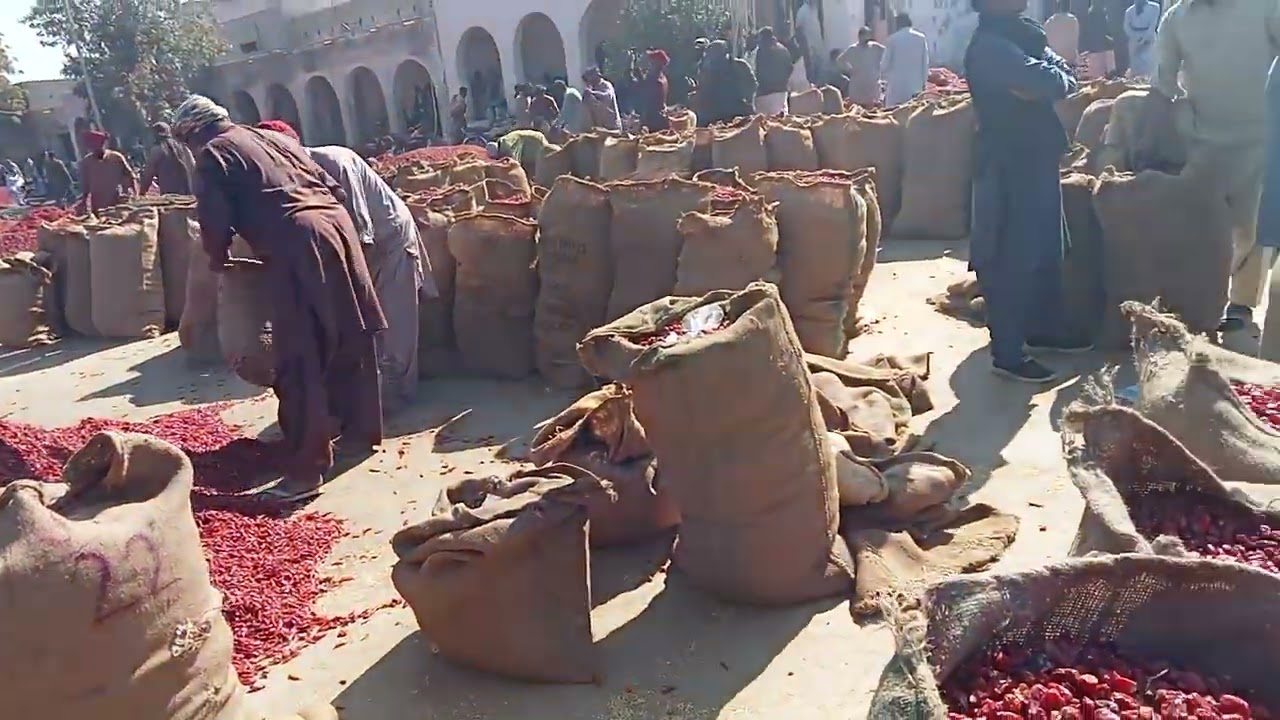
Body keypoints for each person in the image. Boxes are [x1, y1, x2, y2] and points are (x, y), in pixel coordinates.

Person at [173, 95, 387, 501]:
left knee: (297, 355)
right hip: (338, 229)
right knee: (350, 334)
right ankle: (360, 435)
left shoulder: (213, 154)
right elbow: (334, 187)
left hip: (298, 241)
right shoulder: (274, 140)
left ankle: (305, 472)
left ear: (192, 134)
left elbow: (213, 221)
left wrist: (219, 260)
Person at [257, 119, 436, 416]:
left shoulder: (336, 161)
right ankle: (365, 394)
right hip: (352, 247)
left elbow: (360, 231)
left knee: (393, 324)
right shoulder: (288, 178)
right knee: (360, 327)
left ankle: (396, 396)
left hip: (388, 241)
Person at [965, 0, 1084, 382]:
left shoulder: (1025, 35)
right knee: (1009, 254)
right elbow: (1045, 81)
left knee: (1046, 249)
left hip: (1035, 156)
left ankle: (1043, 330)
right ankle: (1008, 353)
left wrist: (1049, 77)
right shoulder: (990, 47)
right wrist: (1048, 78)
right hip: (1007, 165)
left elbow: (1064, 75)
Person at [1155, 0, 1280, 334]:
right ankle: (1201, 299)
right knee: (1203, 224)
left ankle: (1240, 303)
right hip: (1200, 138)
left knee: (1249, 226)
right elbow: (1163, 76)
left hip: (1259, 136)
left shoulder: (1266, 8)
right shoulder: (1177, 17)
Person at [696, 39, 757, 126]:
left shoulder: (740, 66)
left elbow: (752, 84)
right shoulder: (707, 68)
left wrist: (747, 99)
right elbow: (703, 88)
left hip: (738, 110)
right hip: (713, 113)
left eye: (717, 53)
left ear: (725, 52)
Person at [77, 130, 137, 214]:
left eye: (98, 144)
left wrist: (135, 194)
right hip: (98, 206)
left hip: (117, 203)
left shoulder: (116, 157)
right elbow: (85, 186)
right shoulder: (86, 163)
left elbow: (130, 176)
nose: (96, 148)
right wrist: (84, 202)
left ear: (103, 143)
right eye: (92, 146)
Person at [882, 14, 931, 107]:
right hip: (915, 88)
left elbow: (884, 65)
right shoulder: (921, 38)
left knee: (894, 116)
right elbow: (925, 63)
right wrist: (924, 84)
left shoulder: (892, 39)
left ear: (897, 24)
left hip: (896, 89)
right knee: (914, 116)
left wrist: (884, 79)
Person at [139, 122, 195, 196]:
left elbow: (148, 174)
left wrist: (142, 193)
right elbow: (194, 168)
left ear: (155, 135)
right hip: (190, 194)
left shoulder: (158, 150)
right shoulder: (184, 148)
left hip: (171, 196)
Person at [838, 27, 886, 107]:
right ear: (860, 36)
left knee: (874, 110)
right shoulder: (852, 49)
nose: (867, 38)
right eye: (865, 35)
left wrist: (881, 67)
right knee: (857, 109)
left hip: (872, 85)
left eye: (868, 35)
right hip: (858, 85)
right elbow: (840, 61)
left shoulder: (875, 47)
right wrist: (849, 70)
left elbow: (887, 52)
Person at [755, 27, 795, 115]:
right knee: (782, 122)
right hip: (782, 91)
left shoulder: (762, 50)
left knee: (766, 124)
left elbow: (758, 72)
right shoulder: (783, 49)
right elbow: (790, 68)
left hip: (765, 92)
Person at [634, 49, 671, 132]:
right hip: (661, 118)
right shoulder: (662, 78)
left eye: (651, 63)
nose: (649, 65)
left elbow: (646, 97)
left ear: (657, 64)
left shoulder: (655, 81)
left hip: (654, 121)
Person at [1123, 0, 1160, 78]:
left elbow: (1152, 26)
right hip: (1134, 41)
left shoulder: (1154, 7)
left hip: (1149, 41)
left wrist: (1144, 39)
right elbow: (1126, 28)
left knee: (1150, 65)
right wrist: (1136, 38)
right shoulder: (1129, 11)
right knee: (1136, 67)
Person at [1079, 1, 1114, 80]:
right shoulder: (1102, 15)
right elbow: (1105, 30)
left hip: (1093, 49)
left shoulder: (1089, 15)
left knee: (1095, 77)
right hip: (1102, 48)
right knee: (1106, 75)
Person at [582, 66, 621, 131]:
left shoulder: (606, 85)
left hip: (612, 125)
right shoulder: (592, 87)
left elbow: (607, 96)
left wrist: (592, 93)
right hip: (600, 126)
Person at [1045, 0, 1081, 65]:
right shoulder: (1073, 20)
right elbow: (1075, 42)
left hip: (1055, 61)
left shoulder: (1049, 22)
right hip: (1070, 61)